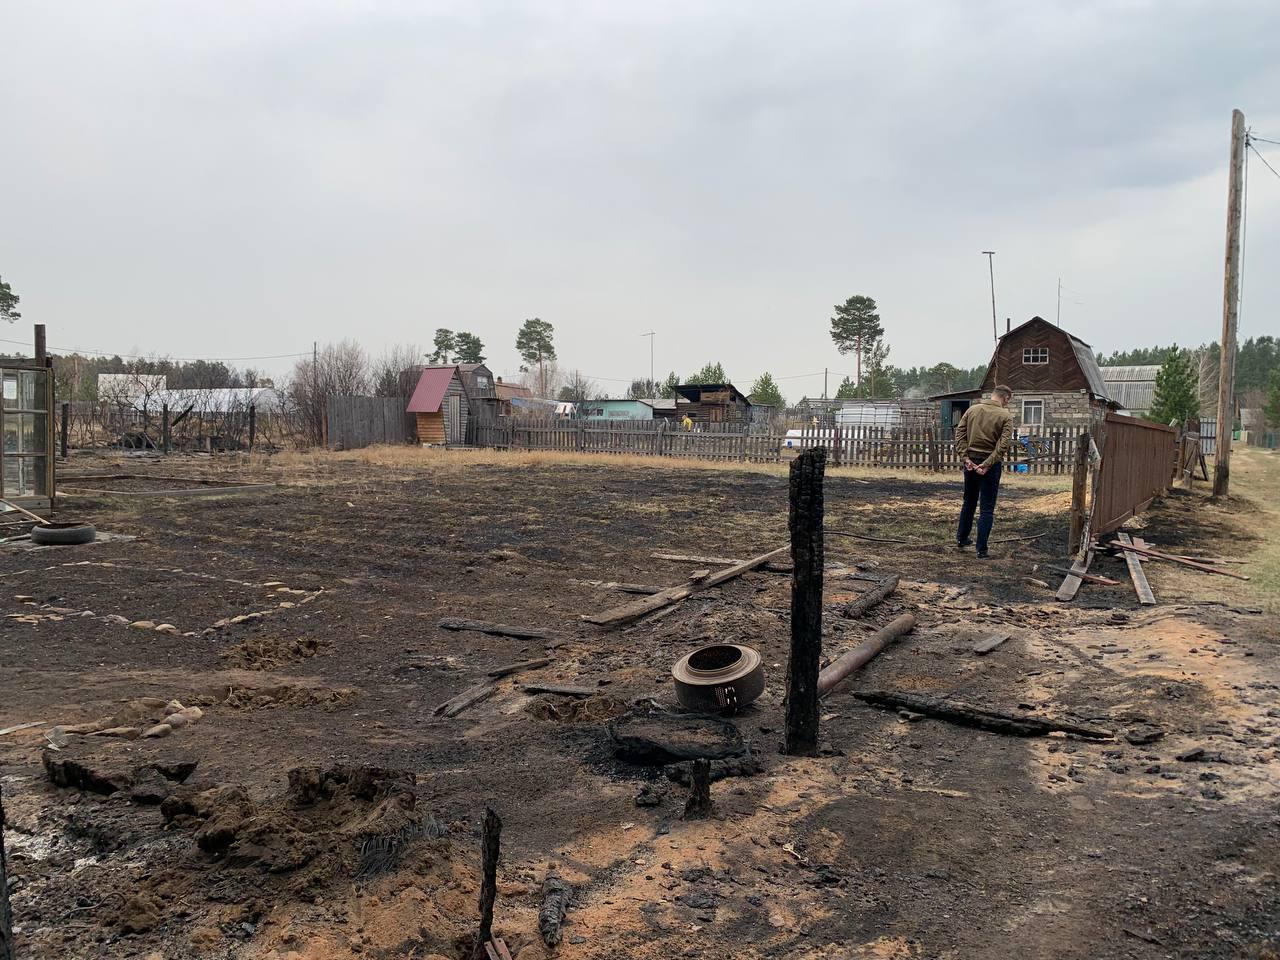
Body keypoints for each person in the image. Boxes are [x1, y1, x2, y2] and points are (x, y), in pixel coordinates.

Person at [953, 385, 1014, 558]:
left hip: (971, 463)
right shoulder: (1005, 416)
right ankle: (981, 549)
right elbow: (1002, 445)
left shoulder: (972, 410)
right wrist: (987, 464)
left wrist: (966, 459)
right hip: (990, 465)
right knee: (987, 508)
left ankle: (962, 538)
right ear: (1005, 398)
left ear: (993, 395)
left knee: (969, 501)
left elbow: (960, 435)